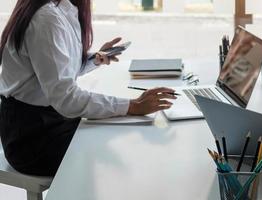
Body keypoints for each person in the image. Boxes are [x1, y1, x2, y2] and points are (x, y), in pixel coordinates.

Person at [0, 0, 176, 176]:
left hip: (48, 119)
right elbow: (67, 99)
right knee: (115, 148)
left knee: (115, 133)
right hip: (32, 137)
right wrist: (132, 106)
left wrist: (94, 59)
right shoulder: (46, 18)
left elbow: (58, 71)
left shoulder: (59, 9)